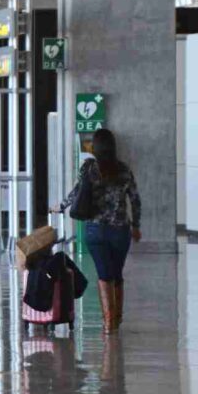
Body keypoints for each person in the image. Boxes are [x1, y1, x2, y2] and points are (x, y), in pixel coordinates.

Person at [51, 128, 142, 333]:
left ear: (96, 148)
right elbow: (135, 200)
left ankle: (108, 323)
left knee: (104, 274)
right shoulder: (124, 170)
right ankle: (116, 320)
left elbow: (76, 193)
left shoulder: (90, 169)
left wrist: (61, 206)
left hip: (95, 230)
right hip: (120, 231)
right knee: (116, 274)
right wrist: (136, 225)